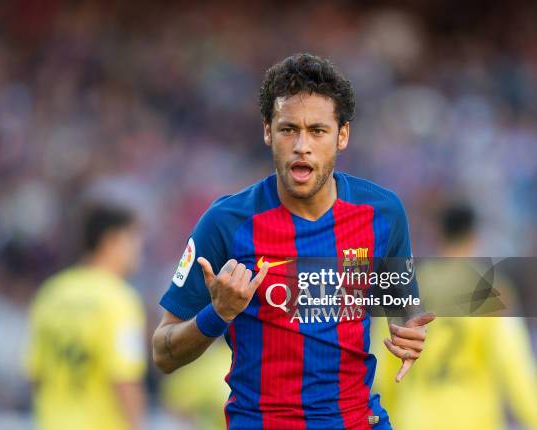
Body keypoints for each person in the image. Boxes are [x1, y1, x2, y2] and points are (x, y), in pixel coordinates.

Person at [152, 53, 435, 429]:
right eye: (288, 130)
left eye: (317, 131)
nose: (302, 145)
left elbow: (402, 308)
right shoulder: (225, 223)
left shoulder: (383, 213)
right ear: (268, 131)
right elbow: (163, 353)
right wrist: (218, 313)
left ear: (342, 135)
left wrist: (411, 334)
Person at [373, 203, 537, 430]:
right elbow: (516, 369)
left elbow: (382, 374)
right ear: (474, 237)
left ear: (437, 234)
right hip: (475, 421)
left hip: (416, 420)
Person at [25, 205, 146, 430]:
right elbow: (125, 379)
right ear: (112, 241)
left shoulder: (50, 294)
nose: (139, 249)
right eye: (133, 238)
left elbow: (36, 376)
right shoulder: (119, 299)